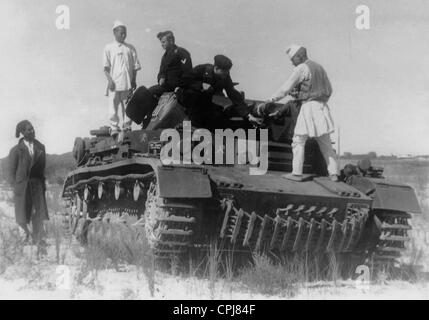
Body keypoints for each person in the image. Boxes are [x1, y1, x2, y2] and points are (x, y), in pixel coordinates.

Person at [262, 44, 339, 181]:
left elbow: (285, 89)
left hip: (308, 107)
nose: (291, 62)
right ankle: (334, 174)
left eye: (292, 59)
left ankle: (296, 173)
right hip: (323, 108)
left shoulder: (302, 68)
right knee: (326, 143)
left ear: (300, 56)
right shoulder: (319, 67)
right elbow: (328, 89)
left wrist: (270, 100)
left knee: (298, 140)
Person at [179, 54, 259, 130]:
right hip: (190, 101)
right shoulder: (201, 69)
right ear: (216, 68)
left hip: (206, 103)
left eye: (227, 72)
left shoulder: (225, 75)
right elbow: (182, 81)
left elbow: (232, 93)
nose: (226, 74)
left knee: (219, 117)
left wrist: (248, 115)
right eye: (224, 72)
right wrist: (200, 85)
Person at [7, 120, 49, 247]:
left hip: (37, 185)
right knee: (22, 213)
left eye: (33, 129)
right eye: (29, 129)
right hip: (22, 186)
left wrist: (42, 184)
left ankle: (38, 238)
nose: (32, 131)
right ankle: (24, 239)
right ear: (22, 133)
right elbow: (11, 171)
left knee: (38, 212)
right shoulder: (15, 150)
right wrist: (15, 186)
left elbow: (42, 168)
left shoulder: (40, 147)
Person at [103, 20, 141, 136]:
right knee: (113, 107)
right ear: (115, 33)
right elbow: (106, 68)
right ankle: (114, 128)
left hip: (127, 83)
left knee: (127, 106)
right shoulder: (108, 48)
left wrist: (134, 80)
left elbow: (135, 67)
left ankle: (127, 127)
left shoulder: (130, 48)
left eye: (125, 33)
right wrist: (110, 81)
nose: (123, 35)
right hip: (114, 83)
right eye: (121, 33)